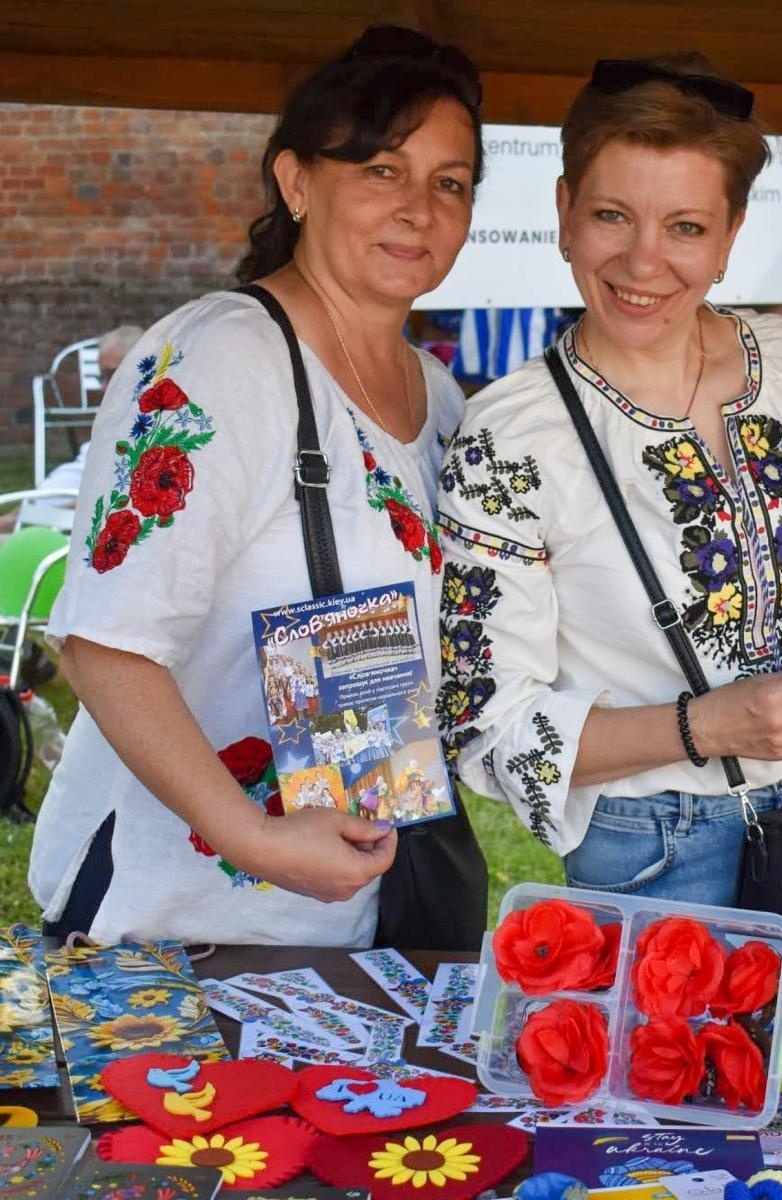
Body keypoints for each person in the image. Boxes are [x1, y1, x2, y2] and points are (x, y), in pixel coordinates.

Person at [29, 25, 488, 945]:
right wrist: (256, 835)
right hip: (174, 925)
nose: (419, 210)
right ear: (296, 182)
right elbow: (103, 645)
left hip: (354, 912)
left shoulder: (435, 394)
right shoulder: (216, 361)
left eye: (450, 183)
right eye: (381, 171)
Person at [436, 55, 782, 952]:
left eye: (685, 226)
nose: (643, 261)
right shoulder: (510, 437)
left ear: (729, 237)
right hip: (656, 851)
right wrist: (704, 724)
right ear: (563, 212)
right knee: (669, 1096)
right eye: (612, 215)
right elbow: (489, 729)